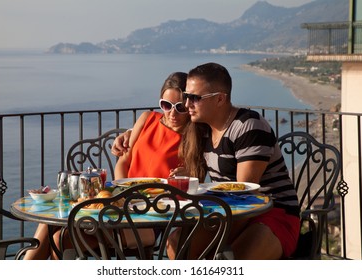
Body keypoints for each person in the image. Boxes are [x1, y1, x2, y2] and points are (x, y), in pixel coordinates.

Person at [112, 62, 300, 260]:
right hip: (228, 212)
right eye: (187, 97)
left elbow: (244, 194)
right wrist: (129, 134)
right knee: (176, 246)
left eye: (194, 98)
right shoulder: (204, 132)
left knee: (235, 260)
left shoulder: (249, 127)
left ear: (220, 99)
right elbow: (160, 132)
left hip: (271, 211)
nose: (186, 105)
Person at [24, 72, 205, 259]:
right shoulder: (147, 119)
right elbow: (124, 161)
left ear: (189, 105)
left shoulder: (195, 136)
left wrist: (186, 173)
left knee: (63, 237)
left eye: (180, 107)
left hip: (154, 217)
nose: (172, 113)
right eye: (166, 106)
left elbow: (196, 179)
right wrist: (123, 192)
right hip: (121, 204)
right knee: (51, 227)